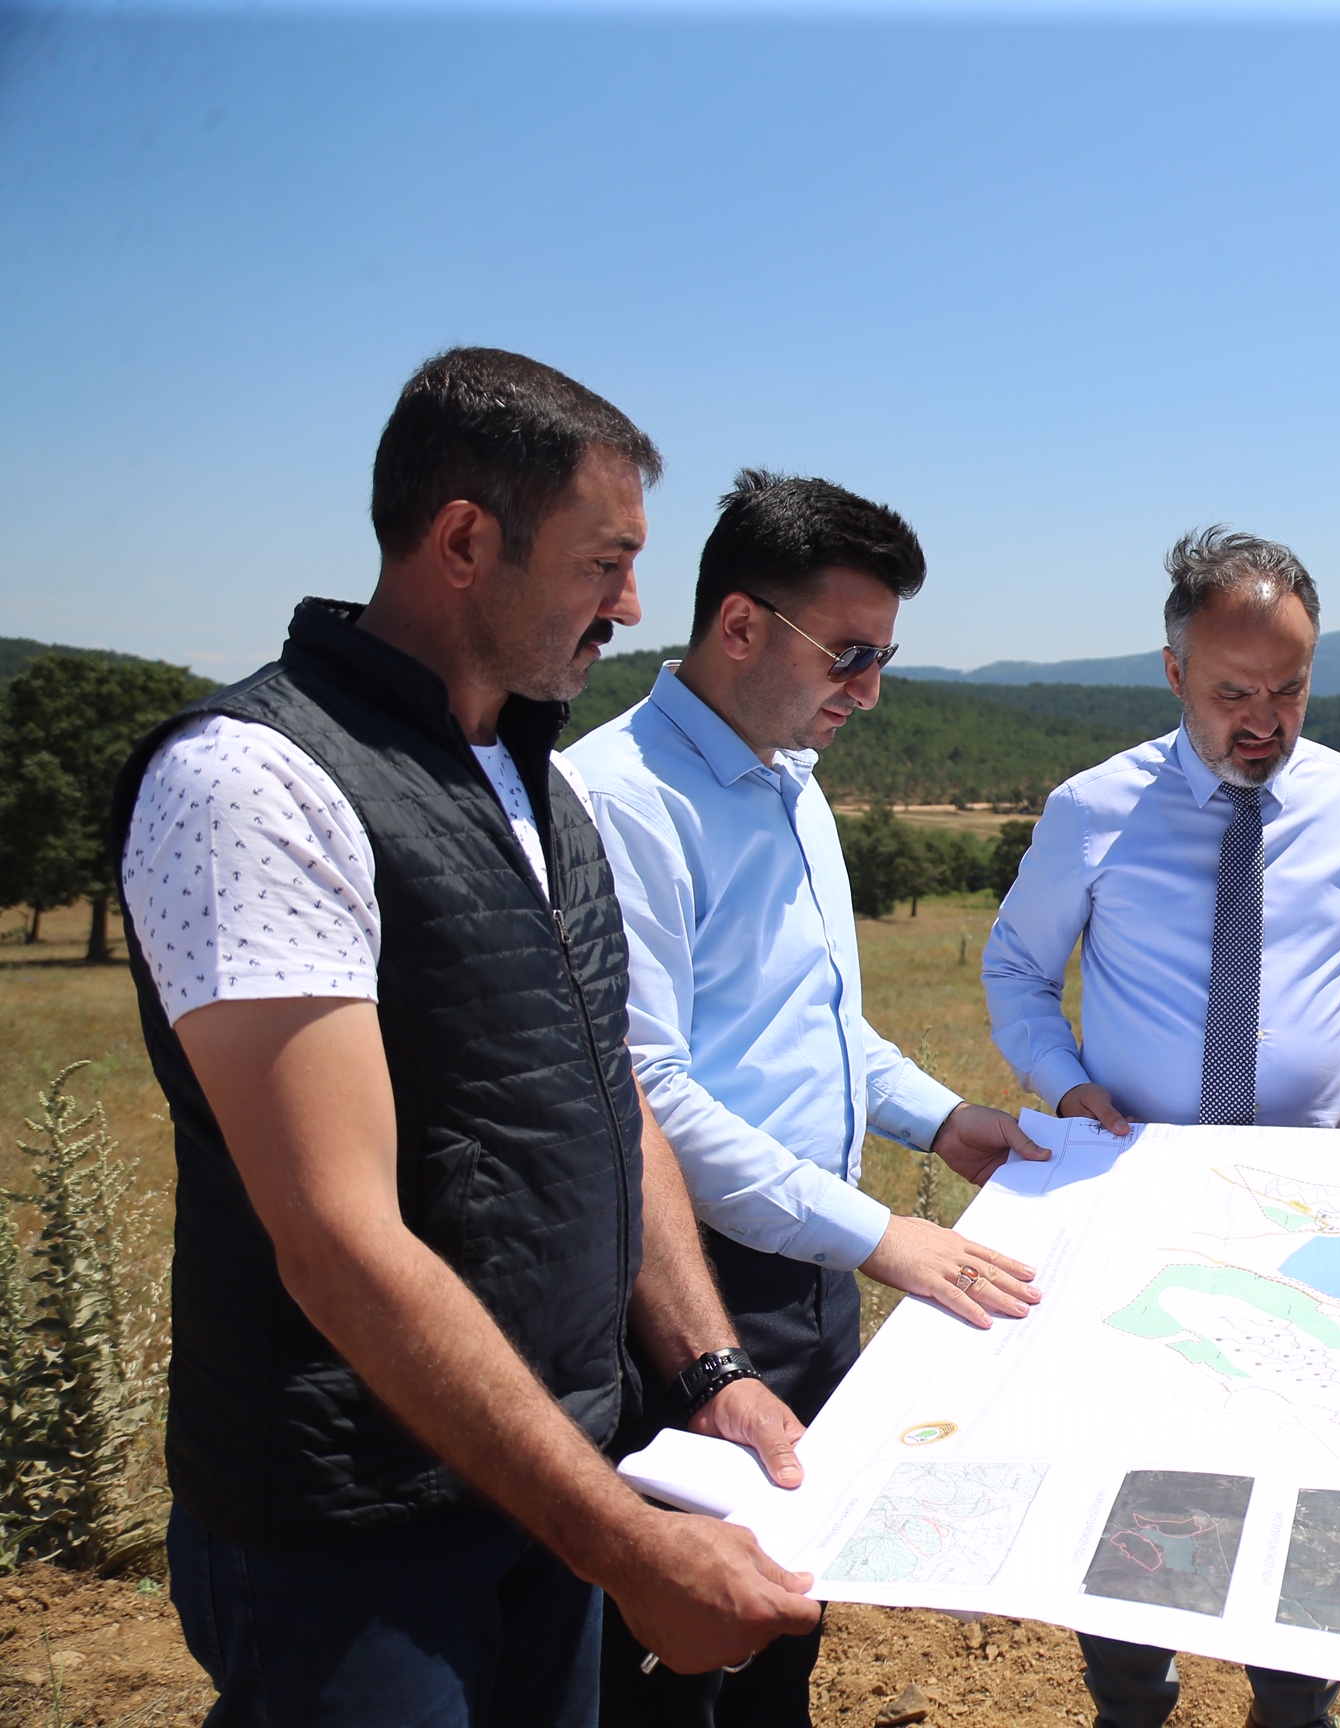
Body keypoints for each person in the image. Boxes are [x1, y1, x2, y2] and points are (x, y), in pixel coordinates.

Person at [110, 348, 822, 1728]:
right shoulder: (254, 782)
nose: (631, 606)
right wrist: (626, 1547)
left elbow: (610, 1098)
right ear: (462, 543)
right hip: (359, 1540)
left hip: (551, 1483)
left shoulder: (540, 785)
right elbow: (338, 1243)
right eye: (605, 563)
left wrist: (710, 1371)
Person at [568, 469, 1049, 1725]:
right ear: (739, 625)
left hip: (811, 1274)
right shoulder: (617, 802)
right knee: (682, 1645)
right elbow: (647, 1094)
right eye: (850, 655)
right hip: (690, 1295)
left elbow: (819, 1029)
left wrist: (941, 1120)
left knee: (786, 1616)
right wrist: (883, 1235)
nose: (869, 692)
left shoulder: (792, 777)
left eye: (883, 659)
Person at [983, 526, 1340, 1728]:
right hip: (1135, 1200)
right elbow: (1015, 971)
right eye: (1232, 694)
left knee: (1312, 1462)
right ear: (1173, 673)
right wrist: (1067, 1085)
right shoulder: (1092, 810)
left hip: (1313, 1213)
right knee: (1134, 1465)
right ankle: (1131, 1697)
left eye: (1289, 690)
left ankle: (1294, 1703)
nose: (1264, 721)